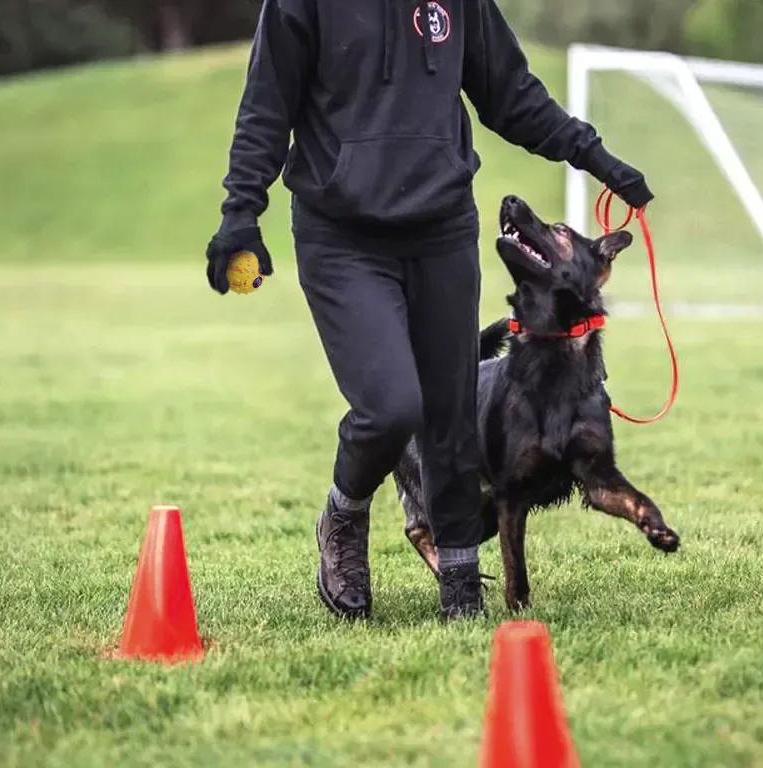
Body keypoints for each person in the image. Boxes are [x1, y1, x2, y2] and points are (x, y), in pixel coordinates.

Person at [205, 0, 654, 621]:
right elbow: (266, 106)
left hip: (441, 229)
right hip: (342, 236)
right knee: (392, 407)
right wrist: (239, 214)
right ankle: (344, 514)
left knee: (450, 415)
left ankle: (462, 590)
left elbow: (511, 94)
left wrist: (596, 157)